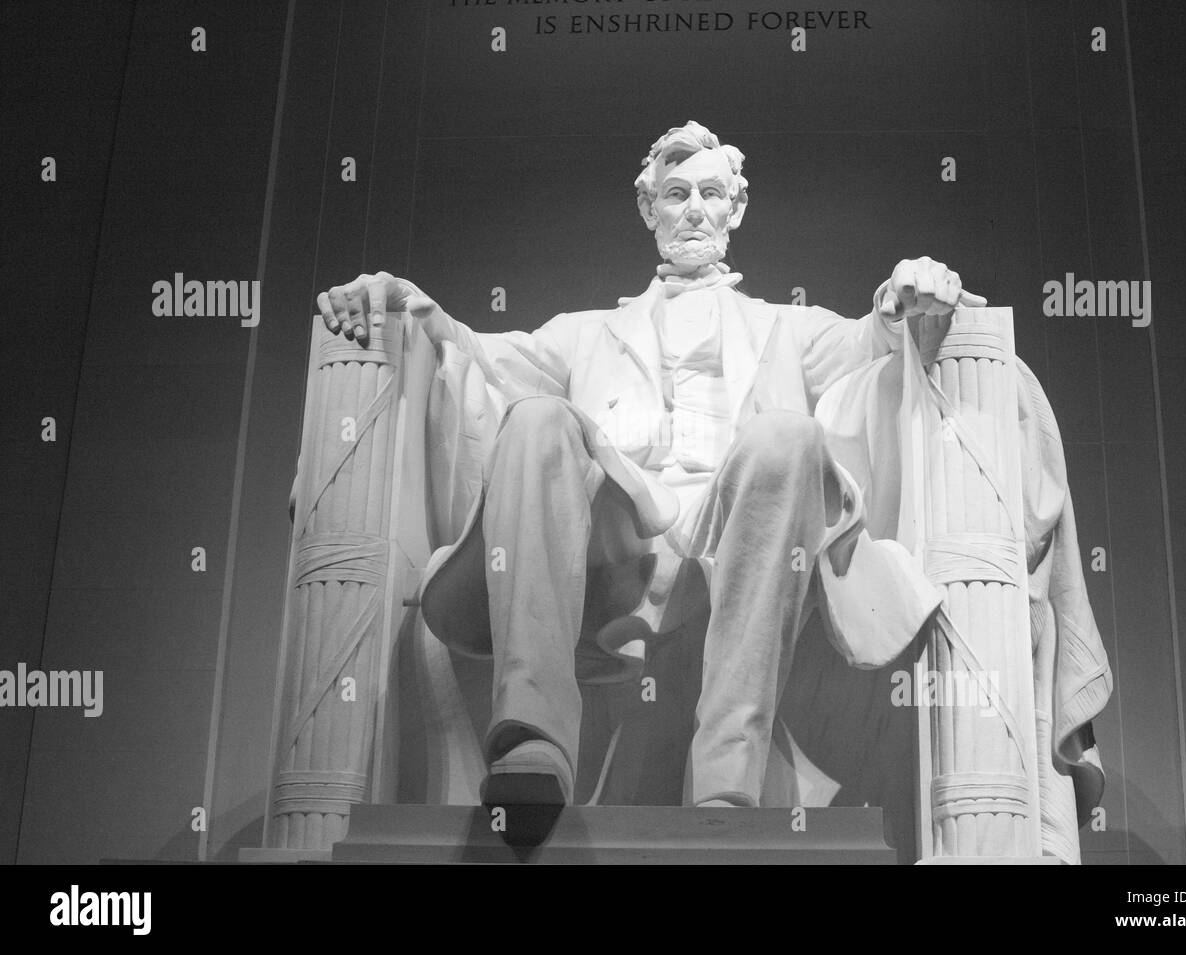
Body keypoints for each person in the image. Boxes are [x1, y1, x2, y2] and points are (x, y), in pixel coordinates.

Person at [314, 122, 1025, 813]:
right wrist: (415, 311)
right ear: (648, 208)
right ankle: (533, 740)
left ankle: (727, 774)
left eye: (711, 194)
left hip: (746, 544)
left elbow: (876, 343)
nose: (695, 210)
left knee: (785, 436)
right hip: (615, 552)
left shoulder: (789, 328)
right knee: (533, 418)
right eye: (677, 193)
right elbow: (475, 363)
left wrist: (908, 296)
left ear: (736, 208)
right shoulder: (583, 333)